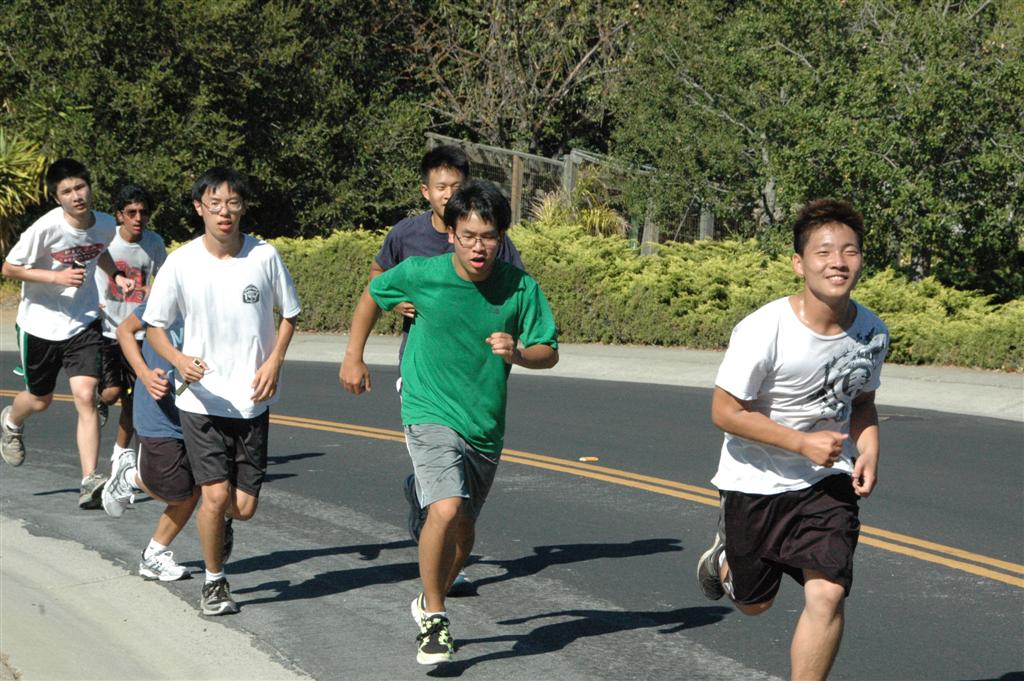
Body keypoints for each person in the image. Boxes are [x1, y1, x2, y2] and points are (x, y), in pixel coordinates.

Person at [340, 179, 558, 665]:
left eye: (489, 237)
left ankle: (429, 594)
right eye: (469, 236)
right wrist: (354, 355)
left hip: (483, 424)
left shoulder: (520, 287)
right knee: (445, 506)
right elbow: (373, 293)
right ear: (452, 235)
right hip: (428, 409)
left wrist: (519, 353)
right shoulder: (422, 272)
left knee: (464, 532)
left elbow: (549, 350)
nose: (479, 247)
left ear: (501, 237)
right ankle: (435, 620)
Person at [696, 198, 889, 681]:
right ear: (799, 264)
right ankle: (726, 557)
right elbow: (724, 411)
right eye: (824, 252)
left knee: (828, 594)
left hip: (827, 481)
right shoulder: (764, 329)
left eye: (849, 251)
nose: (838, 262)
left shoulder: (872, 332)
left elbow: (863, 401)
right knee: (754, 604)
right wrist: (801, 443)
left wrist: (868, 449)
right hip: (755, 482)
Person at [142, 167, 301, 616]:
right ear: (200, 208)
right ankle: (215, 583)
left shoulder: (264, 256)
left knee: (242, 507)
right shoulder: (181, 262)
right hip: (200, 399)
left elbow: (290, 314)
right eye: (214, 205)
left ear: (243, 207)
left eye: (232, 203)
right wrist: (178, 360)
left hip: (252, 399)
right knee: (213, 496)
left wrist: (274, 361)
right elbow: (153, 327)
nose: (224, 212)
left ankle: (219, 525)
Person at [372, 144, 524, 592]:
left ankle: (433, 503)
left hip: (477, 373)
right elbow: (377, 280)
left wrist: (515, 347)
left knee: (460, 512)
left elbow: (514, 291)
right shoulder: (408, 236)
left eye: (456, 186)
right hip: (423, 369)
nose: (448, 194)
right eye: (441, 187)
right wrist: (391, 307)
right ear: (426, 191)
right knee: (444, 490)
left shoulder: (492, 240)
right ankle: (434, 581)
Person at [1, 158, 135, 508]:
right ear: (56, 197)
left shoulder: (104, 224)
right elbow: (9, 268)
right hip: (40, 324)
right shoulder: (45, 229)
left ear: (89, 187)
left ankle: (89, 481)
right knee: (40, 400)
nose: (76, 196)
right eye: (67, 191)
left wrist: (116, 275)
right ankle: (11, 421)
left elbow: (99, 251)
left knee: (86, 395)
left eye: (80, 187)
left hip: (82, 320)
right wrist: (56, 277)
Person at [101, 300, 199, 583]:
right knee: (180, 494)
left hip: (199, 411)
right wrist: (143, 374)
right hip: (158, 411)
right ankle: (130, 477)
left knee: (200, 488)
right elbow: (124, 330)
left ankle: (154, 554)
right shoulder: (168, 296)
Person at [95, 184, 167, 460]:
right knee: (112, 393)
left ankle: (120, 455)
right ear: (120, 215)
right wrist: (92, 300)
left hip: (140, 332)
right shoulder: (106, 240)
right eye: (132, 212)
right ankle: (99, 400)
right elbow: (85, 269)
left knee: (134, 401)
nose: (139, 218)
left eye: (144, 212)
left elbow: (166, 282)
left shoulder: (154, 242)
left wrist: (153, 291)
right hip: (108, 327)